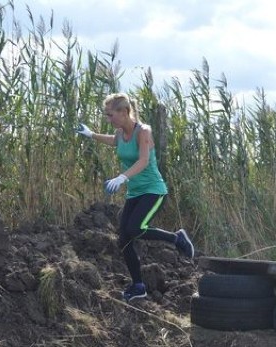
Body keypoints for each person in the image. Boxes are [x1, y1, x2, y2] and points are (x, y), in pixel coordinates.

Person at [76, 92, 194, 302]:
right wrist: (91, 134)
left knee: (135, 229)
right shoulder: (121, 133)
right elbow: (114, 141)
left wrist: (122, 177)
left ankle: (176, 238)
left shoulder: (144, 131)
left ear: (124, 112)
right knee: (124, 239)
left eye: (110, 114)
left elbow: (143, 161)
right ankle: (138, 285)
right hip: (135, 193)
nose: (108, 118)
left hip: (153, 191)